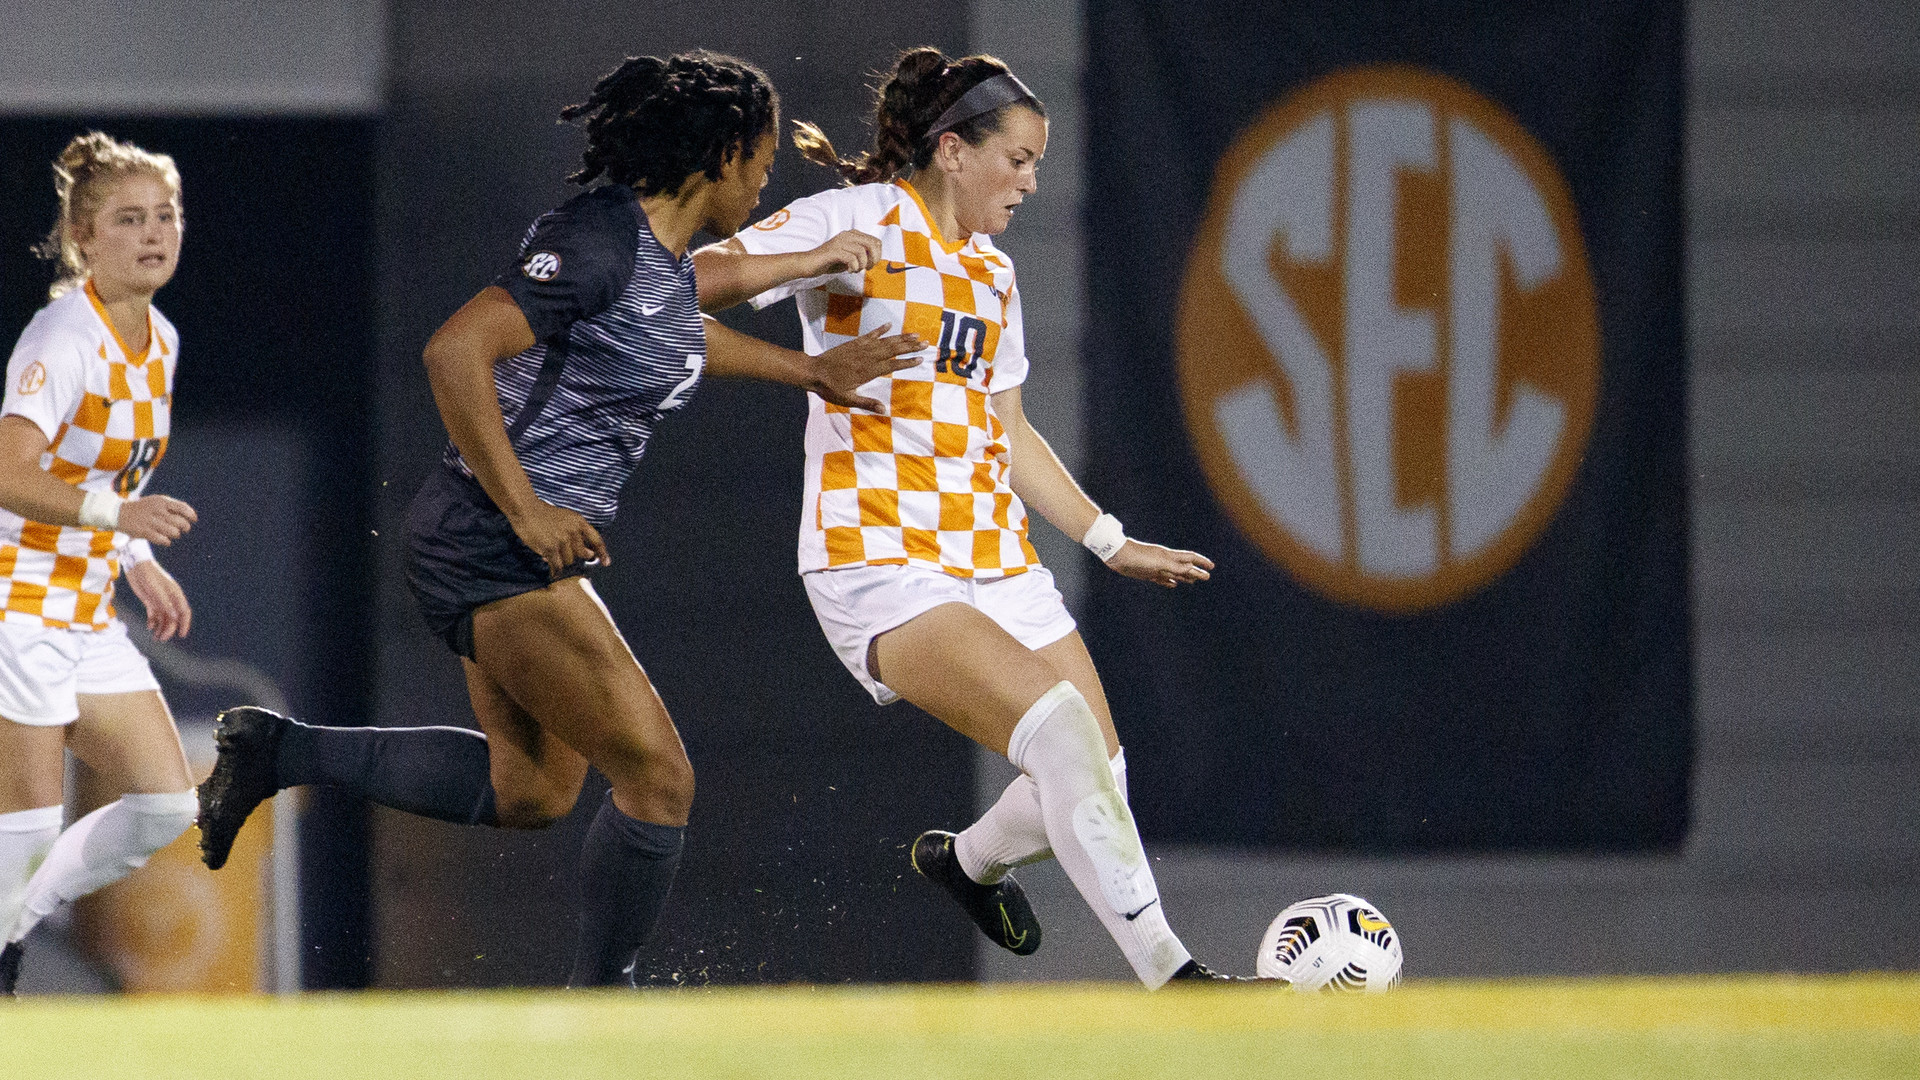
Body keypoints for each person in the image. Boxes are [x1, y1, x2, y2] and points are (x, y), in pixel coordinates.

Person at [194, 51, 922, 987]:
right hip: (491, 538)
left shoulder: (647, 260)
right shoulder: (599, 241)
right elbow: (456, 350)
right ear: (725, 152)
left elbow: (679, 311)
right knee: (661, 779)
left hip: (490, 539)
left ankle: (274, 751)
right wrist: (528, 509)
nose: (766, 177)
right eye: (764, 158)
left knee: (531, 790)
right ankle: (597, 1009)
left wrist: (811, 361)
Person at [694, 48, 1244, 987]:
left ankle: (967, 862)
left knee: (1098, 779)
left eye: (1038, 163)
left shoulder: (992, 273)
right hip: (877, 557)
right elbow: (690, 282)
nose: (1032, 181)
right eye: (1019, 159)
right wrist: (809, 261)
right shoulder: (857, 218)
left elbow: (1011, 430)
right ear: (952, 150)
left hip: (995, 558)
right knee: (1062, 735)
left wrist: (1109, 541)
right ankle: (1178, 981)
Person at [0, 133, 202, 995]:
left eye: (166, 215)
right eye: (130, 219)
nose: (155, 233)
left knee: (167, 806)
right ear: (84, 238)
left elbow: (99, 471)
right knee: (28, 837)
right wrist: (119, 516)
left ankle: (10, 915)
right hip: (16, 603)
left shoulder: (160, 339)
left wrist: (132, 555)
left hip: (82, 607)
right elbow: (10, 471)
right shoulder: (62, 334)